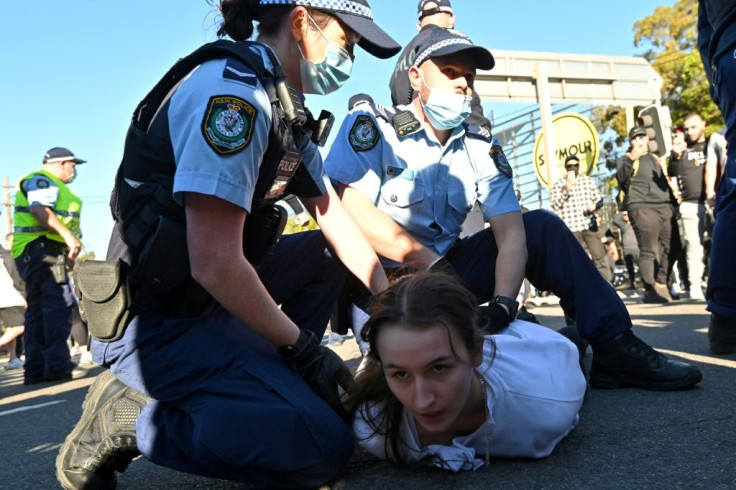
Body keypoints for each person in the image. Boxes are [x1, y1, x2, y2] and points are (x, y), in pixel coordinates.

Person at [56, 1, 399, 489]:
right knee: (321, 448)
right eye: (347, 42)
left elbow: (334, 219)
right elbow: (215, 264)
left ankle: (271, 380)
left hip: (211, 304)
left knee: (326, 258)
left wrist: (387, 309)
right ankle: (131, 419)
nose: (351, 59)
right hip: (156, 323)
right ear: (303, 21)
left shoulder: (285, 109)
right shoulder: (234, 98)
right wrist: (304, 348)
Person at [325, 27, 702, 393]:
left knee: (541, 226)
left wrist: (504, 304)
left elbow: (511, 232)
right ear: (416, 77)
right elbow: (350, 209)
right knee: (438, 373)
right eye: (450, 72)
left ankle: (613, 345)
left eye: (468, 78)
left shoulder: (480, 147)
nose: (462, 85)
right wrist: (432, 266)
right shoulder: (375, 127)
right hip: (386, 281)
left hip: (451, 270)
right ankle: (559, 348)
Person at [345, 270, 586, 470]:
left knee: (571, 338)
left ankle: (527, 322)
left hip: (535, 349)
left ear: (476, 352)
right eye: (400, 374)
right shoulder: (375, 428)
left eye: (438, 368)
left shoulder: (547, 407)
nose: (422, 401)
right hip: (478, 339)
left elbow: (561, 359)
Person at [12, 147, 88, 384]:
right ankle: (57, 366)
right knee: (59, 306)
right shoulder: (43, 181)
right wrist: (69, 237)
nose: (73, 171)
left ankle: (36, 369)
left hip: (38, 252)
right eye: (72, 166)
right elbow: (39, 209)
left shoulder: (49, 183)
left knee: (38, 311)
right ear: (61, 163)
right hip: (42, 251)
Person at [697, 1, 736, 354]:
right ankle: (725, 315)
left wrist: (719, 85)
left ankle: (726, 316)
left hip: (727, 48)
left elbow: (703, 33)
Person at [616, 126, 677, 304]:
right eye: (637, 138)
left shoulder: (656, 158)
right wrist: (632, 158)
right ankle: (650, 290)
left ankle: (661, 281)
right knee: (648, 249)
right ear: (631, 142)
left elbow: (664, 182)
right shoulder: (626, 159)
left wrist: (674, 203)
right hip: (641, 206)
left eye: (643, 136)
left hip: (664, 206)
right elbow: (621, 177)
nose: (641, 140)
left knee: (674, 246)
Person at [550, 154, 611, 282]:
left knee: (599, 255)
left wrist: (594, 206)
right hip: (571, 227)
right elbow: (555, 205)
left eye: (575, 165)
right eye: (569, 166)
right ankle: (579, 288)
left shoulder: (587, 181)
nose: (573, 168)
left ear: (579, 166)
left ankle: (607, 286)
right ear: (565, 168)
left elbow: (599, 200)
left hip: (589, 224)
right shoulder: (559, 185)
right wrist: (566, 190)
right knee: (574, 260)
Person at [668, 113, 710, 300]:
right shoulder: (681, 150)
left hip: (716, 202)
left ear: (704, 125)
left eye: (693, 127)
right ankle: (695, 284)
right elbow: (671, 173)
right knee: (694, 246)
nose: (689, 132)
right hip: (691, 205)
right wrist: (675, 156)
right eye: (686, 129)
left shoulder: (714, 144)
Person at [0, 233, 26, 370]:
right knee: (19, 327)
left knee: (11, 328)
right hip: (11, 297)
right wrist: (23, 294)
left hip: (5, 298)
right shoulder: (8, 256)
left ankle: (13, 358)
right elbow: (16, 278)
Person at [612, 211, 640, 290]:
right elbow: (616, 220)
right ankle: (632, 282)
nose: (626, 216)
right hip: (627, 249)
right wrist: (623, 212)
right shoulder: (623, 225)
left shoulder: (636, 224)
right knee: (629, 267)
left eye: (628, 215)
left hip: (637, 248)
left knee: (642, 265)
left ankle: (645, 282)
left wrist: (630, 213)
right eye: (625, 215)